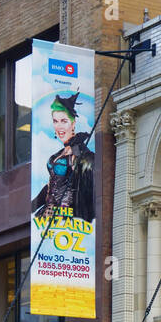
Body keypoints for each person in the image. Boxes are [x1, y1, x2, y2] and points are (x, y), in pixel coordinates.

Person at [31, 91, 95, 224]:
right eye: (55, 121)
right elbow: (50, 186)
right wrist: (31, 207)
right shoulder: (58, 153)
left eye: (64, 121)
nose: (59, 126)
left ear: (73, 123)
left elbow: (85, 172)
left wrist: (76, 149)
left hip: (66, 216)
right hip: (46, 214)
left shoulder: (79, 151)